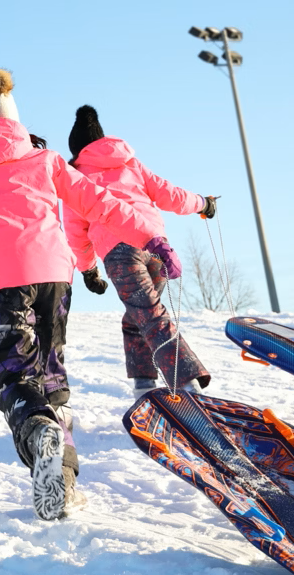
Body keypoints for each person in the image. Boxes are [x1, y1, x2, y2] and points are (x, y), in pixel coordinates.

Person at [0, 70, 157, 521]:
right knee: (52, 374)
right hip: (53, 278)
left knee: (19, 375)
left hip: (2, 283)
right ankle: (64, 479)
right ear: (16, 124)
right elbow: (97, 200)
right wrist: (150, 234)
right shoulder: (45, 160)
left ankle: (38, 429)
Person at [64, 105, 217, 399]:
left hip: (120, 254)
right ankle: (144, 384)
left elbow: (75, 231)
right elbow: (170, 194)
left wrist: (88, 270)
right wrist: (203, 203)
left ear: (77, 150)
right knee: (138, 317)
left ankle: (189, 384)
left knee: (149, 316)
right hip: (154, 249)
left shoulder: (77, 178)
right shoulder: (131, 164)